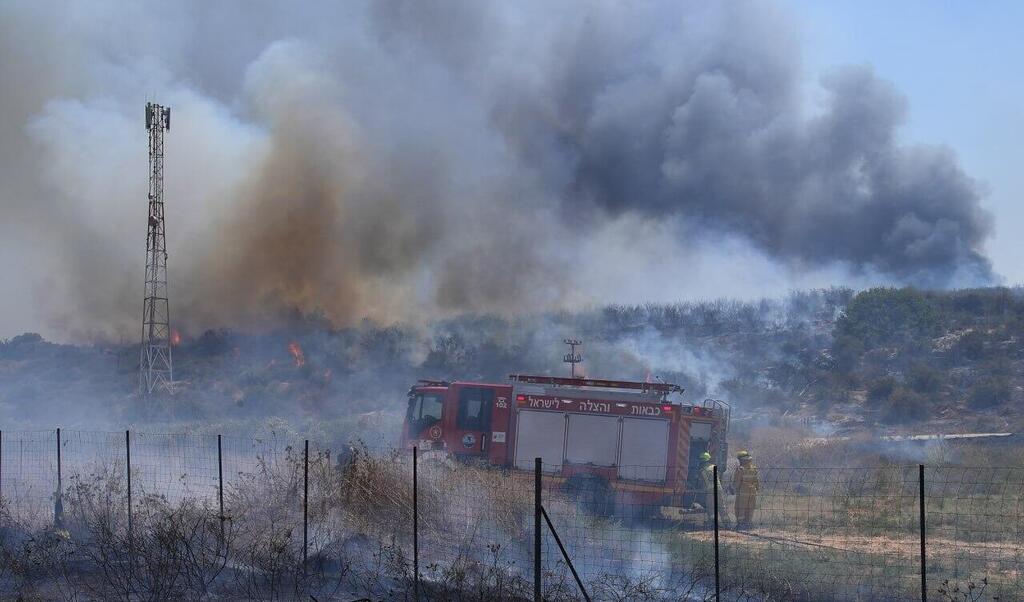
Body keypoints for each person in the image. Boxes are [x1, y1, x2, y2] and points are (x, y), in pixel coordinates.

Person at [731, 450, 760, 530]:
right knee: (750, 508)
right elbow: (756, 481)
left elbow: (737, 482)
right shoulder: (753, 468)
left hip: (743, 492)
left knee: (740, 508)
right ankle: (748, 523)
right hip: (753, 492)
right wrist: (757, 489)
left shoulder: (740, 469)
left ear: (741, 460)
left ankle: (740, 524)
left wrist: (734, 489)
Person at [698, 451, 722, 528]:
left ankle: (712, 523)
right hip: (719, 488)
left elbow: (701, 483)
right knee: (722, 507)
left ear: (702, 461)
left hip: (710, 490)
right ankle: (727, 523)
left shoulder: (702, 470)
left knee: (711, 507)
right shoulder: (714, 467)